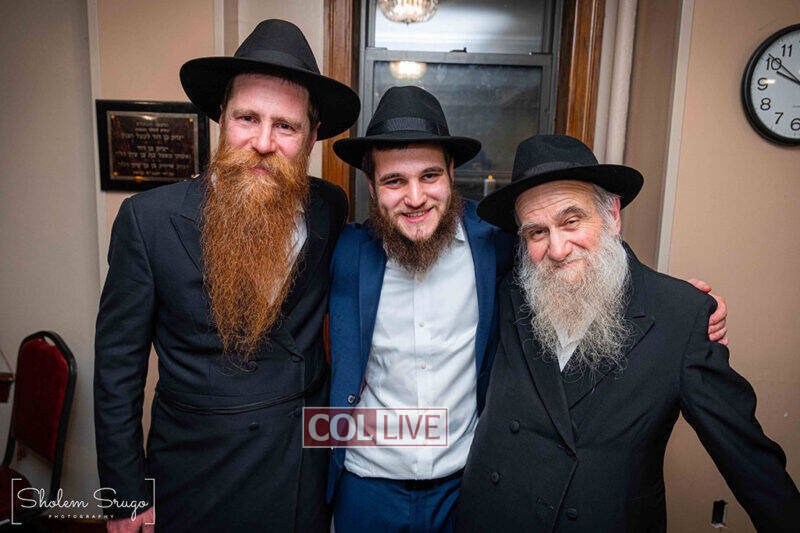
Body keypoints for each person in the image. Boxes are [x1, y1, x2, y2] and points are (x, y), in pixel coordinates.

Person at [326, 89, 727, 532]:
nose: (416, 197)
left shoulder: (496, 241)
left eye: (430, 175)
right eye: (394, 181)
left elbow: (579, 251)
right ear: (372, 188)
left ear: (452, 173)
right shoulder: (344, 252)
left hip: (465, 483)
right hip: (366, 484)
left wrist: (671, 303)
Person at [456, 134, 799, 532]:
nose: (558, 249)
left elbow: (748, 459)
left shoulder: (679, 315)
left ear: (612, 215)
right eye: (537, 233)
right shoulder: (510, 292)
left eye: (571, 221)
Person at [94, 20, 359, 532]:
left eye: (286, 126)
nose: (263, 142)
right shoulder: (148, 220)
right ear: (221, 118)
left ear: (312, 137)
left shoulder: (329, 205)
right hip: (198, 473)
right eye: (247, 118)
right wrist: (124, 496)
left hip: (299, 469)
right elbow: (117, 370)